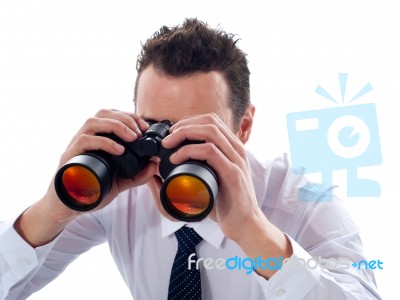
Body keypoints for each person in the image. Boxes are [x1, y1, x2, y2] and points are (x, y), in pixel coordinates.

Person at [0, 18, 381, 299]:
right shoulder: (124, 191)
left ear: (243, 126)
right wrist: (53, 208)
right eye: (154, 127)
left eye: (197, 132)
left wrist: (251, 230)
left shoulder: (305, 200)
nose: (169, 152)